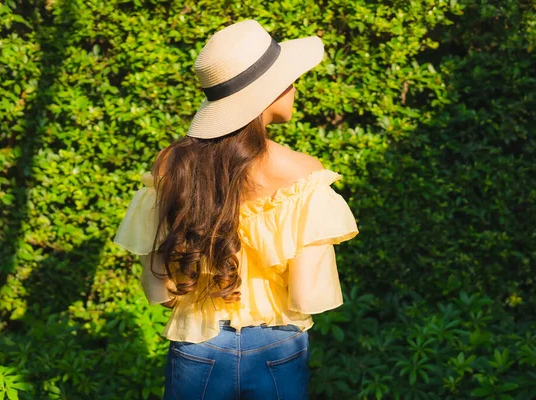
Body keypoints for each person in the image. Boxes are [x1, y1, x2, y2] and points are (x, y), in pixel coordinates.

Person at [113, 19, 359, 400]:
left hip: (198, 341)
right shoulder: (303, 173)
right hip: (277, 346)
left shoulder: (171, 166)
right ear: (269, 93)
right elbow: (308, 293)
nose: (294, 88)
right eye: (289, 80)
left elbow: (159, 286)